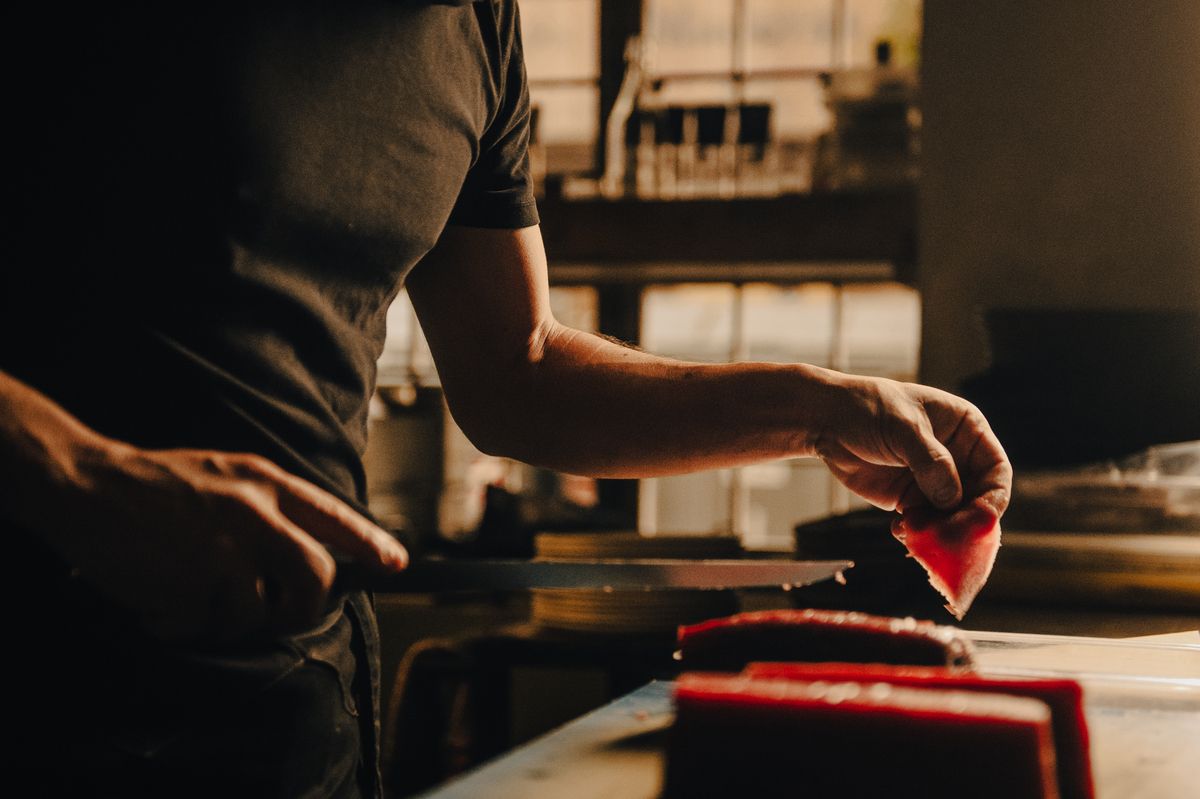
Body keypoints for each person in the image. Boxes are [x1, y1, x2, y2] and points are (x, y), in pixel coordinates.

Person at [1, 2, 1010, 796]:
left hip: (293, 714)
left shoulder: (475, 25)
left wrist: (818, 405)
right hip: (42, 702)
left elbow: (517, 370)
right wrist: (83, 478)